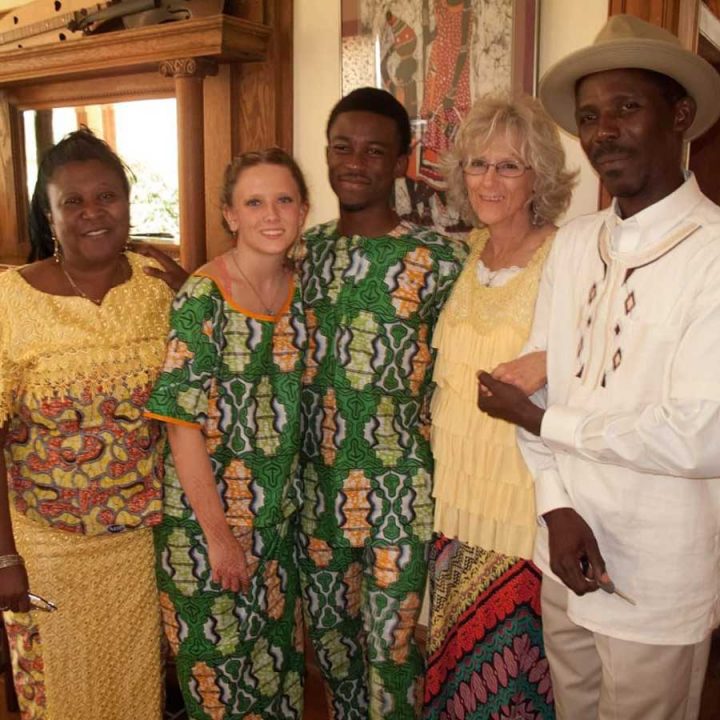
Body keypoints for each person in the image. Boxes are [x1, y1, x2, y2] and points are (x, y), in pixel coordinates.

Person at [476, 15, 720, 720]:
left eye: (625, 107)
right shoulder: (578, 244)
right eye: (589, 116)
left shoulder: (711, 252)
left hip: (657, 563)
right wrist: (555, 505)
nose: (603, 130)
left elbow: (702, 435)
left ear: (681, 117)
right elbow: (535, 381)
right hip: (565, 546)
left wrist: (547, 421)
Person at [0, 128, 186, 720]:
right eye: (72, 202)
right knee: (59, 696)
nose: (93, 213)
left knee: (134, 695)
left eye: (107, 196)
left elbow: (199, 394)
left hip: (138, 543)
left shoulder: (159, 290)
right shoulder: (10, 300)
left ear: (129, 203)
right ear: (48, 215)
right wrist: (3, 558)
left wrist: (194, 295)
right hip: (44, 543)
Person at [298, 86, 467, 719]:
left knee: (392, 654)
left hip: (401, 489)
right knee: (334, 653)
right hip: (315, 492)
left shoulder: (441, 258)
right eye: (342, 147)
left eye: (374, 151)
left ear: (401, 162)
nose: (355, 162)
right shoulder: (299, 252)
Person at [424, 95, 576, 720]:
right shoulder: (464, 258)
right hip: (455, 498)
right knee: (455, 669)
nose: (489, 180)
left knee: (510, 679)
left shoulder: (567, 257)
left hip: (523, 504)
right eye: (478, 164)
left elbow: (607, 358)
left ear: (539, 174)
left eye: (509, 166)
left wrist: (552, 359)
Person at [145, 148, 309, 719]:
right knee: (220, 686)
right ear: (230, 215)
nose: (272, 214)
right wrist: (219, 537)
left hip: (277, 524)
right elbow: (181, 427)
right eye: (255, 201)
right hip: (203, 532)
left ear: (303, 211)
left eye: (284, 199)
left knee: (277, 675)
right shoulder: (202, 298)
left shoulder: (301, 287)